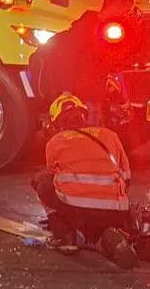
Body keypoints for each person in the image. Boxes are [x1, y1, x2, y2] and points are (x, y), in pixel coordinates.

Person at [32, 92, 137, 269]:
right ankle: (104, 237)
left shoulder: (55, 142)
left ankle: (65, 235)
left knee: (41, 183)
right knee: (99, 222)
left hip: (76, 210)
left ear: (57, 122)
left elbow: (52, 177)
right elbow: (126, 177)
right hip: (114, 210)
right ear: (84, 116)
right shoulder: (109, 135)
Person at [30, 0, 138, 123]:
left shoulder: (101, 31)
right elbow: (67, 60)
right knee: (88, 138)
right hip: (82, 101)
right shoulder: (85, 30)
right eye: (126, 10)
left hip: (92, 99)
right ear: (115, 5)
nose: (126, 16)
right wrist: (66, 92)